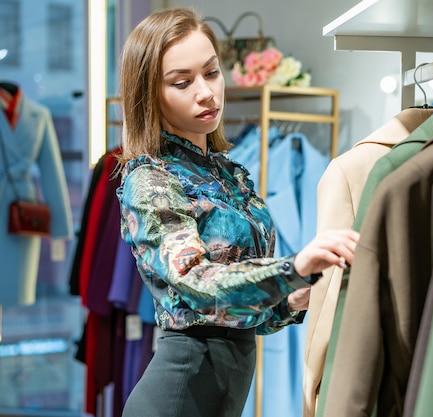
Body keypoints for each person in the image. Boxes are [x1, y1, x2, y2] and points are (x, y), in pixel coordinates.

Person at [115, 7, 359, 417]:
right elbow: (198, 284)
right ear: (149, 95)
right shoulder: (151, 180)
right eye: (182, 82)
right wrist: (292, 268)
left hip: (223, 398)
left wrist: (292, 300)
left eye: (211, 73)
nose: (206, 92)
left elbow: (238, 318)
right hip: (176, 399)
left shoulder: (230, 173)